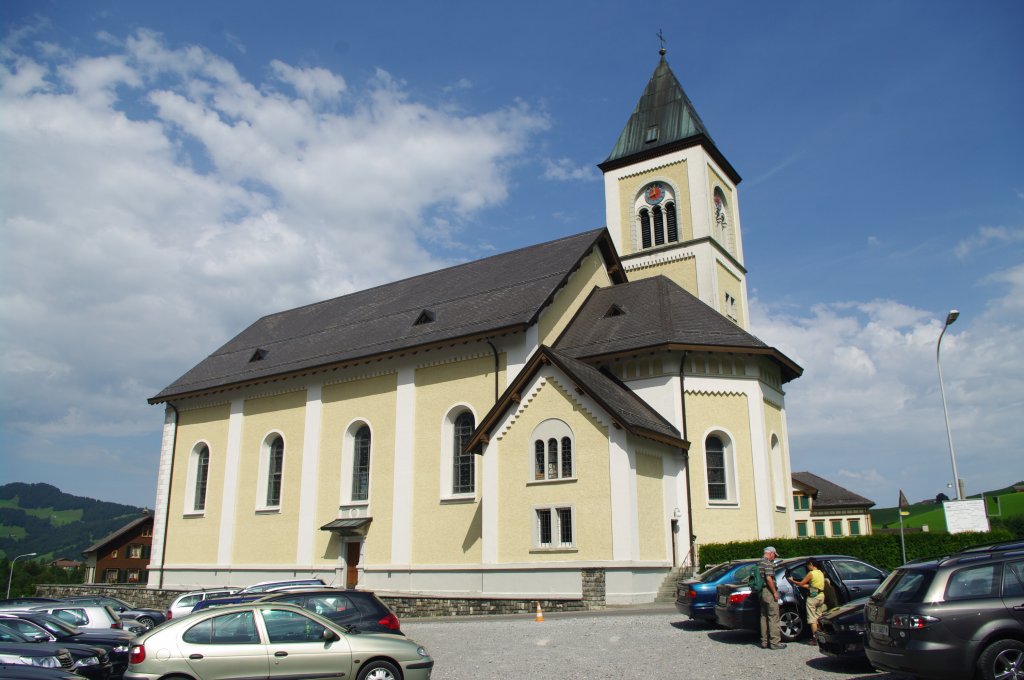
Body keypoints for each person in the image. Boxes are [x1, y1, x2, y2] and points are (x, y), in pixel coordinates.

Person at [789, 558, 826, 644]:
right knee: (818, 617)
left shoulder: (811, 573)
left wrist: (792, 580)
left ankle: (815, 639)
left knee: (812, 619)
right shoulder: (820, 573)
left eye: (808, 565)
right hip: (821, 596)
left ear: (811, 564)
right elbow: (812, 586)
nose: (807, 567)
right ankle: (821, 636)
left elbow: (801, 583)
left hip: (813, 598)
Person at [758, 546, 786, 649]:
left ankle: (764, 642)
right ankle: (775, 642)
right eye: (774, 555)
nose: (774, 557)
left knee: (763, 616)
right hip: (768, 591)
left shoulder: (759, 562)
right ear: (770, 553)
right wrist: (774, 592)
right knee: (773, 616)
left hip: (761, 592)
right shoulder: (768, 563)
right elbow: (769, 578)